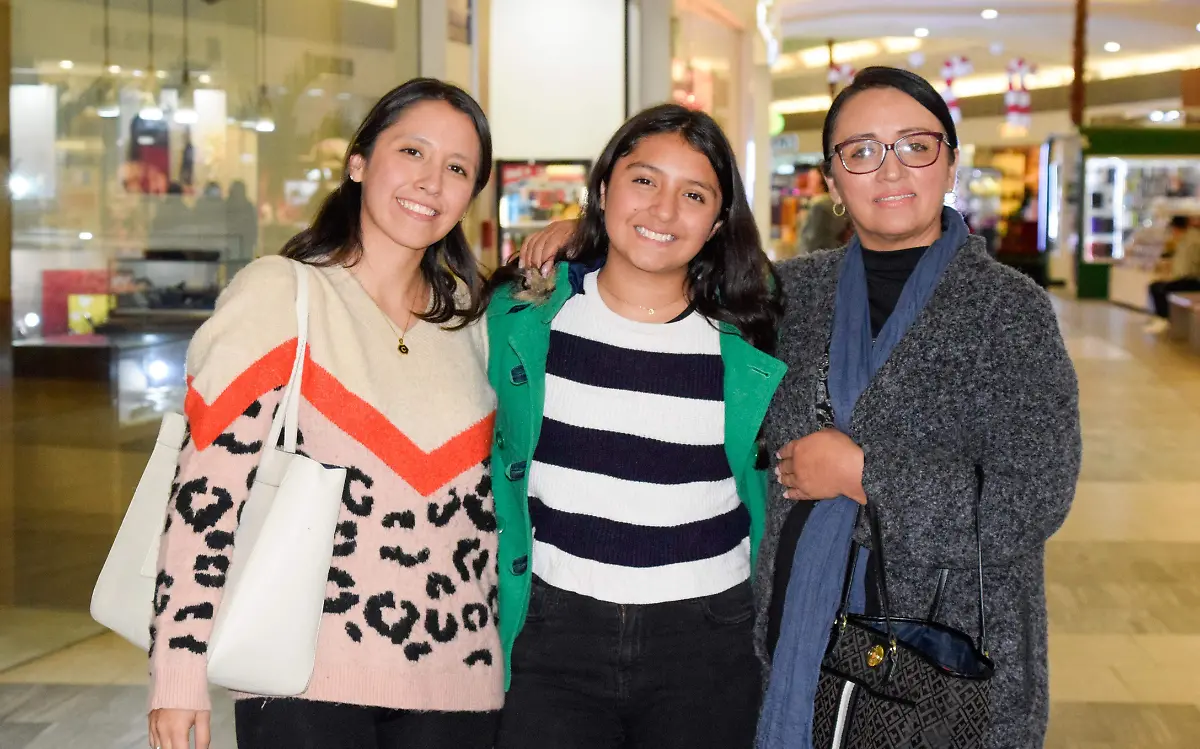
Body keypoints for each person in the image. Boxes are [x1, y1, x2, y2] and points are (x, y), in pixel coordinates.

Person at [147, 78, 502, 749]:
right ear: (359, 161)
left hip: (461, 681)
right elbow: (205, 495)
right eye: (412, 152)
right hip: (300, 680)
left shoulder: (476, 323)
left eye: (457, 168)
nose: (431, 181)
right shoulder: (282, 294)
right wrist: (178, 671)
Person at [757, 67, 1081, 749]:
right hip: (795, 637)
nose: (890, 168)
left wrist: (863, 474)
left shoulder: (1008, 310)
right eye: (862, 151)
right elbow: (670, 287)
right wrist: (583, 241)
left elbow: (1033, 495)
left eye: (915, 145)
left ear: (951, 163)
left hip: (945, 660)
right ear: (832, 181)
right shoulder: (791, 295)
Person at [487, 104, 786, 749]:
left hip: (706, 640)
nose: (663, 210)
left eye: (694, 194)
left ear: (714, 223)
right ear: (603, 191)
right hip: (551, 631)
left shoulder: (749, 341)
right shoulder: (523, 320)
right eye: (643, 181)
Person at [1145, 215, 1200, 334]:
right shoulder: (1184, 240)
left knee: (1162, 289)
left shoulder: (1192, 241)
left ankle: (1165, 319)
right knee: (1156, 286)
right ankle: (1164, 318)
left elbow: (1188, 267)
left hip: (1191, 280)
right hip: (1185, 279)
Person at [796, 167, 851, 255]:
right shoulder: (840, 202)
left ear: (822, 182)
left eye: (812, 180)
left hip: (818, 259)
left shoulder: (819, 205)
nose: (809, 184)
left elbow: (810, 241)